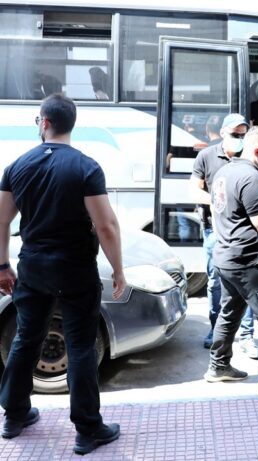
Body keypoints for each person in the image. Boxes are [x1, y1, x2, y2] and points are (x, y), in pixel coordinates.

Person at [0, 94, 125, 454]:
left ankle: (14, 415)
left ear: (44, 122)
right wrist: (118, 270)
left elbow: (1, 220)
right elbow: (106, 226)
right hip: (75, 267)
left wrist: (2, 265)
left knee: (26, 338)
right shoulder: (86, 167)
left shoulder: (17, 165)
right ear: (71, 124)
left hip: (34, 266)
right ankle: (87, 429)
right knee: (81, 346)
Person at [204, 126, 258, 398]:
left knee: (230, 312)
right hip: (247, 260)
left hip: (225, 256)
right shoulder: (252, 178)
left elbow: (216, 211)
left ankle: (218, 366)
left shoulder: (224, 172)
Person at [190, 113, 258, 358]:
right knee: (215, 282)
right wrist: (219, 202)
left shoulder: (248, 157)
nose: (239, 139)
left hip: (243, 232)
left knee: (247, 284)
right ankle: (215, 330)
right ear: (222, 133)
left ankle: (247, 336)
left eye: (243, 135)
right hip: (214, 230)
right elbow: (194, 190)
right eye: (234, 134)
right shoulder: (206, 156)